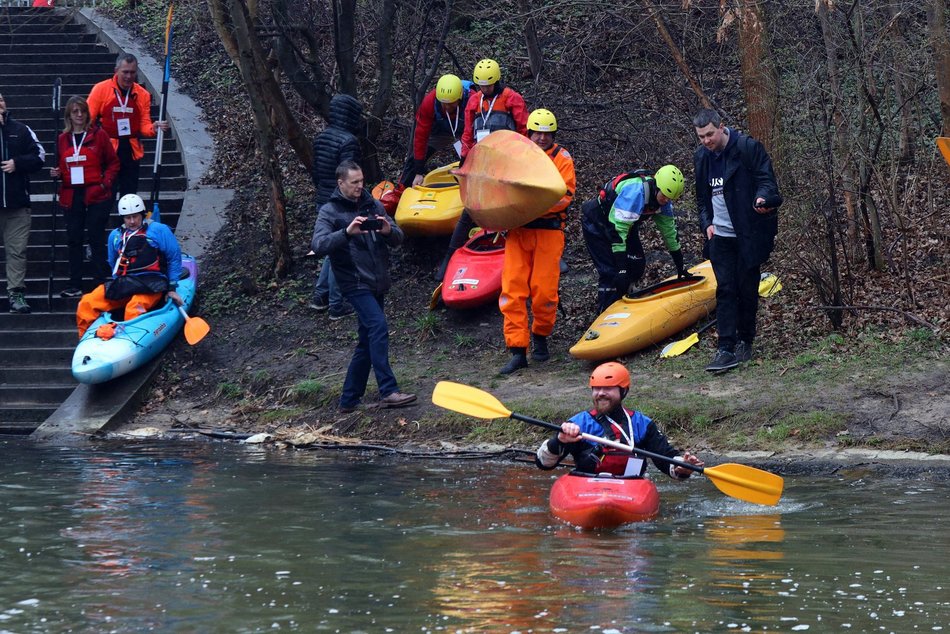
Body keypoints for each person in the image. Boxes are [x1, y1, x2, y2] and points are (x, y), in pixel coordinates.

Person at [310, 161, 416, 413]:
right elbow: (319, 244)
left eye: (361, 181)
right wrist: (346, 232)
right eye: (354, 182)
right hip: (354, 282)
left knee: (367, 340)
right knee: (377, 327)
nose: (360, 186)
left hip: (377, 280)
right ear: (341, 183)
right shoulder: (330, 211)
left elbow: (398, 238)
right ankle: (388, 390)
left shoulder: (373, 204)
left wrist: (389, 231)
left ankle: (348, 399)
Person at [693, 109, 781, 373]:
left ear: (722, 127)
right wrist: (706, 223)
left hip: (748, 233)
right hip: (720, 237)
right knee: (725, 290)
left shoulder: (747, 148)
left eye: (710, 134)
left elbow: (767, 181)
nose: (706, 141)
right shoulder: (702, 158)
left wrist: (762, 199)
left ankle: (746, 340)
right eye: (701, 137)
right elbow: (701, 198)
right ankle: (725, 347)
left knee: (746, 289)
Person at [435, 59, 529, 280]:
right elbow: (468, 134)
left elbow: (523, 129)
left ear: (496, 81)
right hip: (482, 165)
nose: (484, 90)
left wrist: (522, 158)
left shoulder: (511, 98)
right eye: (481, 86)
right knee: (470, 208)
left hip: (507, 163)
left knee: (515, 206)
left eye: (488, 86)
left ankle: (527, 252)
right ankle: (448, 258)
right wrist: (464, 159)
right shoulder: (474, 102)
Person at [498, 108, 575, 374]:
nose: (541, 138)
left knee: (543, 291)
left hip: (548, 231)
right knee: (512, 290)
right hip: (518, 231)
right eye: (537, 132)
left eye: (546, 133)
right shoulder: (517, 155)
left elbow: (565, 195)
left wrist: (533, 206)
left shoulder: (562, 159)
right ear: (528, 133)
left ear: (553, 134)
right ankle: (517, 349)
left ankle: (540, 335)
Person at [535, 362, 704, 478]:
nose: (600, 393)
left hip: (630, 487)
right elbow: (544, 463)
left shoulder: (641, 424)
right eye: (596, 389)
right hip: (586, 484)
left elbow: (666, 458)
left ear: (623, 391)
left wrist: (682, 467)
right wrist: (558, 440)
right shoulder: (578, 423)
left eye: (608, 388)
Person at [581, 165, 687, 313]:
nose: (665, 201)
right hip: (597, 224)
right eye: (664, 196)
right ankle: (606, 310)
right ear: (657, 186)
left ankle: (624, 295)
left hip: (623, 224)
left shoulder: (664, 202)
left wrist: (680, 265)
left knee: (637, 263)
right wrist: (622, 269)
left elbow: (669, 232)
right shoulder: (635, 192)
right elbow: (618, 232)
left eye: (670, 199)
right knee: (611, 272)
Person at [76, 193, 183, 337]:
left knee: (133, 309)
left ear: (143, 215)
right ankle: (87, 343)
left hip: (152, 284)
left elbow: (174, 258)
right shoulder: (115, 236)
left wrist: (171, 287)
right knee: (86, 303)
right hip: (125, 283)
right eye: (128, 217)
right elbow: (113, 262)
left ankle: (130, 345)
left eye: (136, 216)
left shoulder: (159, 230)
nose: (132, 221)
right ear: (122, 218)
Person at [50, 96, 120, 297]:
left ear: (88, 114)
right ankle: (75, 283)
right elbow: (62, 166)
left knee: (96, 236)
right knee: (74, 238)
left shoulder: (99, 135)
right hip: (71, 194)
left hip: (96, 193)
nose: (79, 115)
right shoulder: (62, 139)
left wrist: (105, 183)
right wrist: (57, 173)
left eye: (82, 111)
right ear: (68, 115)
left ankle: (99, 281)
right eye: (75, 112)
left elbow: (113, 163)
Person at [309, 94, 364, 320]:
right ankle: (336, 305)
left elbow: (316, 171)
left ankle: (320, 296)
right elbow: (348, 176)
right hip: (338, 203)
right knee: (340, 254)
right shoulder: (348, 141)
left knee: (331, 252)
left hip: (322, 198)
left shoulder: (321, 138)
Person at [87, 53, 169, 202]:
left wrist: (154, 127)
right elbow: (88, 121)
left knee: (129, 196)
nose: (129, 76)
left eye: (132, 72)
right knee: (105, 195)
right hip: (107, 150)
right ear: (116, 71)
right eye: (125, 72)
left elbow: (144, 124)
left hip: (130, 151)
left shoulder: (142, 94)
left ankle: (127, 224)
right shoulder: (101, 90)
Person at [0, 91, 45, 314]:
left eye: (0, 99)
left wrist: (17, 163)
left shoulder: (20, 130)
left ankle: (16, 293)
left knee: (17, 251)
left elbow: (40, 156)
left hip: (17, 204)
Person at [398, 73, 472, 188]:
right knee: (414, 161)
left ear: (460, 97)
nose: (447, 107)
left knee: (475, 155)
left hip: (467, 130)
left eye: (451, 103)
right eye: (444, 104)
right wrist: (418, 171)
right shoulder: (430, 102)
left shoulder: (472, 99)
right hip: (441, 130)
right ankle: (401, 190)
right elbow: (420, 137)